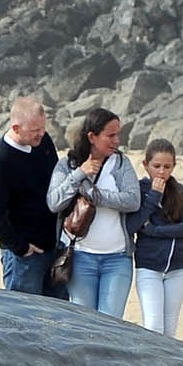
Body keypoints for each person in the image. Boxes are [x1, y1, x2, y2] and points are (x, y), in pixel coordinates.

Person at [46, 107, 142, 318]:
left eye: (118, 134)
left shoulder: (121, 163)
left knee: (111, 323)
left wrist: (95, 195)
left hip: (117, 258)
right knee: (84, 323)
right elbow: (54, 203)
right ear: (92, 136)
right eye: (111, 135)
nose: (117, 140)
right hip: (80, 257)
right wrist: (79, 174)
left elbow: (133, 200)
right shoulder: (67, 164)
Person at [0, 96, 64, 297]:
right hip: (24, 256)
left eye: (43, 128)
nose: (41, 134)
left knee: (61, 315)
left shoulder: (44, 143)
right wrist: (20, 247)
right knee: (25, 316)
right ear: (17, 128)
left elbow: (56, 181)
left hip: (54, 247)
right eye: (35, 130)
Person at [125, 138, 183, 339]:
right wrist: (154, 197)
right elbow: (133, 225)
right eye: (156, 166)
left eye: (167, 166)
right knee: (153, 326)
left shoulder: (181, 191)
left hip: (179, 268)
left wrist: (155, 231)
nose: (162, 172)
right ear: (146, 165)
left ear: (174, 166)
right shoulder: (139, 190)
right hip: (149, 267)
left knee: (169, 328)